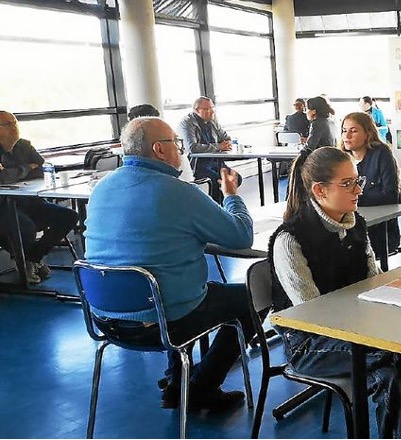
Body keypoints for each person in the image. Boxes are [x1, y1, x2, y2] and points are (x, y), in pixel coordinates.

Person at [268, 147, 401, 438]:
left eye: (358, 180)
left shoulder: (356, 225)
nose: (358, 190)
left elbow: (374, 282)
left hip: (355, 328)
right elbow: (313, 316)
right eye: (348, 184)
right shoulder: (290, 240)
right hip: (309, 343)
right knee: (396, 357)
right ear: (319, 190)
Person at [84, 117, 255, 411]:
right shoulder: (178, 192)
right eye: (176, 143)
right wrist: (231, 195)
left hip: (104, 316)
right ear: (159, 150)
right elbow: (240, 235)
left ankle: (178, 379)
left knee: (171, 280)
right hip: (163, 320)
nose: (180, 150)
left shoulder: (102, 188)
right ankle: (202, 385)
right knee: (250, 299)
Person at [0, 111, 79, 284]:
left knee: (69, 216)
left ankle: (32, 258)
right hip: (3, 206)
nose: (14, 127)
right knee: (26, 227)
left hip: (30, 201)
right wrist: (26, 168)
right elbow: (2, 178)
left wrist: (16, 171)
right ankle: (24, 261)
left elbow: (40, 167)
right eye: (7, 124)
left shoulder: (24, 145)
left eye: (14, 122)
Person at [340, 112, 401, 262]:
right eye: (344, 130)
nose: (347, 136)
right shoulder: (340, 158)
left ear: (368, 133)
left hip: (379, 231)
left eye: (353, 131)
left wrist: (352, 200)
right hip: (347, 225)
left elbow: (391, 194)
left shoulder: (381, 154)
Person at [178, 96, 241, 203]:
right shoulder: (187, 123)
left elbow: (226, 138)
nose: (212, 112)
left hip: (216, 162)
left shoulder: (212, 122)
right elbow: (192, 147)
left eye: (213, 108)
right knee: (216, 180)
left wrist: (226, 144)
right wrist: (218, 146)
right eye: (208, 109)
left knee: (236, 177)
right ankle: (215, 208)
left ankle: (225, 205)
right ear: (197, 110)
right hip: (198, 165)